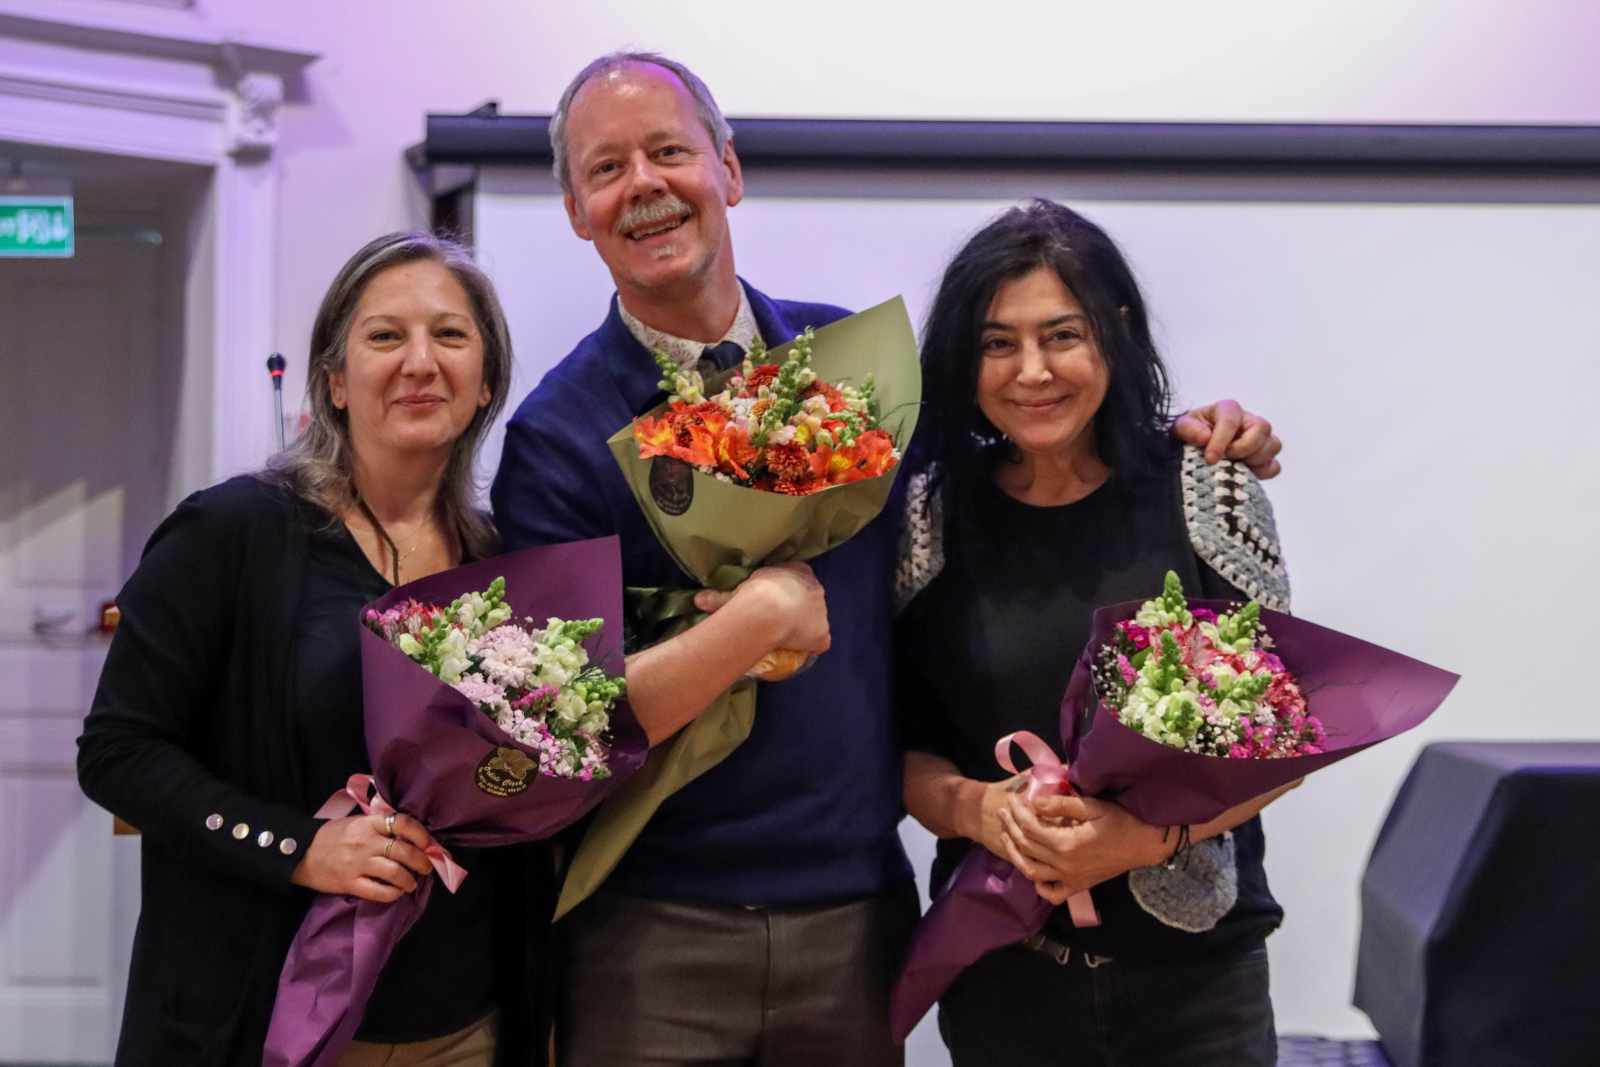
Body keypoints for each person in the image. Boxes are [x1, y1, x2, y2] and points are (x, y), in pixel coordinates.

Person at [491, 53, 1282, 1066]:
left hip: (856, 918)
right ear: (574, 209)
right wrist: (750, 625)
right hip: (651, 930)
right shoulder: (558, 436)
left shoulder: (849, 373)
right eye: (607, 168)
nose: (644, 184)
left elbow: (1028, 435)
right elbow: (566, 724)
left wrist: (1188, 434)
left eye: (668, 152)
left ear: (728, 169)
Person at [77, 233, 545, 1066]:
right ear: (334, 380)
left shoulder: (508, 560)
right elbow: (117, 753)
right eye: (385, 336)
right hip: (267, 1024)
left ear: (484, 382)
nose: (420, 361)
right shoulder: (230, 532)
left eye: (449, 334)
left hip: (463, 1025)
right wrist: (299, 847)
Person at [896, 199, 1299, 1066]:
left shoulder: (1209, 486)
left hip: (1201, 989)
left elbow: (1286, 736)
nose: (1032, 371)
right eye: (998, 343)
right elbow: (899, 743)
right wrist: (978, 810)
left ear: (1114, 333)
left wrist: (1138, 843)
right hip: (1004, 979)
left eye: (1062, 336)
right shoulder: (928, 512)